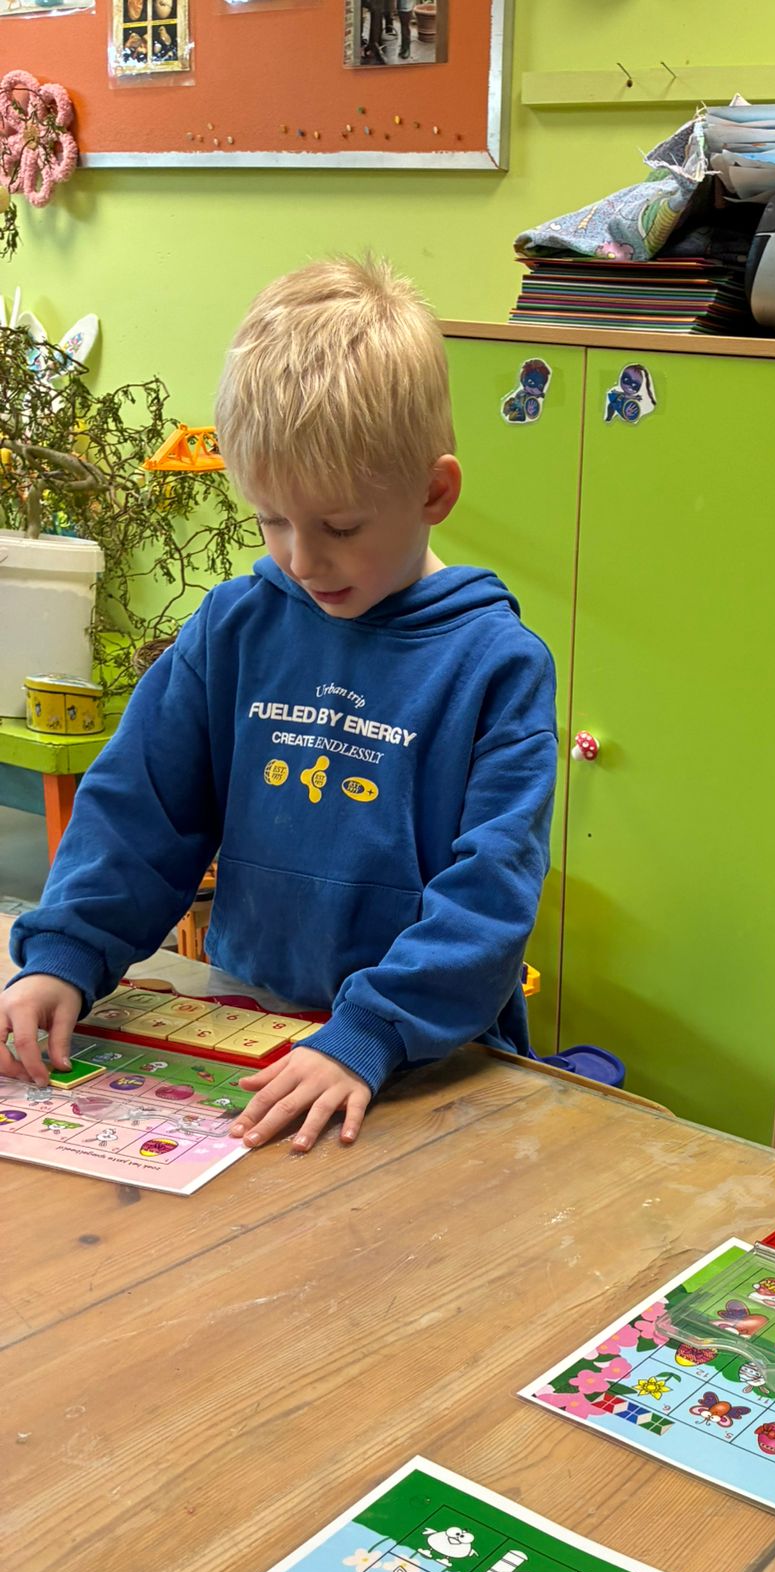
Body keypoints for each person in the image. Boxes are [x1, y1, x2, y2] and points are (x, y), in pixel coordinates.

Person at [2, 256, 557, 1156]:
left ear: (434, 492)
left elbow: (490, 895)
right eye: (271, 519)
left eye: (339, 527)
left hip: (421, 1055)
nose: (301, 559)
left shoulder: (497, 664)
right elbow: (140, 813)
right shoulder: (235, 626)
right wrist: (66, 954)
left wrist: (369, 1032)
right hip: (251, 1028)